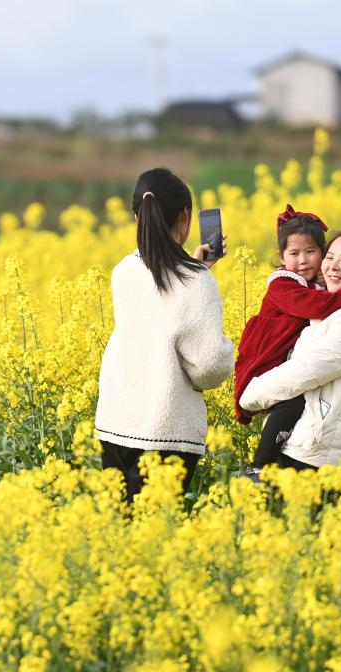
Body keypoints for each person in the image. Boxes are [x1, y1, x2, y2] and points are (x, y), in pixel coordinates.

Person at [95, 168, 234, 502]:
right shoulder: (195, 282)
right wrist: (197, 273)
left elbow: (159, 307)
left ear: (135, 217)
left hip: (116, 421)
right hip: (164, 430)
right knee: (153, 533)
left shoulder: (124, 270)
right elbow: (211, 365)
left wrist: (194, 267)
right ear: (185, 216)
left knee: (120, 531)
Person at [234, 205, 341, 477]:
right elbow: (311, 305)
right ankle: (259, 465)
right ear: (281, 258)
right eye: (293, 254)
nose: (303, 260)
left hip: (324, 448)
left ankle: (261, 466)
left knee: (292, 403)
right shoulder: (283, 283)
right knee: (290, 403)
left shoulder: (332, 298)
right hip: (267, 354)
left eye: (311, 252)